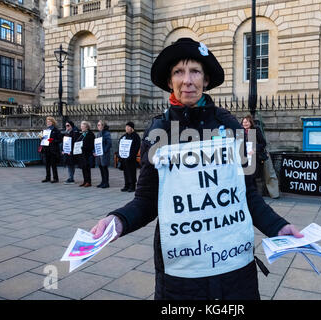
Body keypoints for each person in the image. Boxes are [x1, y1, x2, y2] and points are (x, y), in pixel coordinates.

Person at [90, 38, 302, 300]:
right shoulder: (158, 131)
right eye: (179, 72)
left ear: (206, 79)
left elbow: (248, 195)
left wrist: (279, 227)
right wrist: (118, 221)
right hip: (181, 275)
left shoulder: (232, 126)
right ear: (170, 81)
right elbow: (147, 199)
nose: (187, 80)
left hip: (234, 271)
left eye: (195, 71)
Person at [241, 114, 267, 189]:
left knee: (253, 177)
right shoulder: (240, 131)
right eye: (243, 122)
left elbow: (263, 143)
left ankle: (254, 194)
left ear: (251, 123)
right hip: (244, 157)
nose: (245, 124)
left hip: (254, 157)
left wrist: (254, 149)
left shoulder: (256, 130)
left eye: (247, 122)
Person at [118, 121, 141, 192]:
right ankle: (126, 185)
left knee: (131, 172)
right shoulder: (124, 136)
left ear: (132, 128)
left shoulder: (135, 136)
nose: (126, 128)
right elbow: (120, 143)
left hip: (131, 158)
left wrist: (131, 155)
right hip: (124, 158)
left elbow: (136, 147)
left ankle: (132, 186)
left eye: (128, 127)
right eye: (126, 127)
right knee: (125, 172)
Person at [41, 116, 61, 183]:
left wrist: (52, 140)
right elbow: (45, 139)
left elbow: (59, 140)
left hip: (53, 150)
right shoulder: (46, 130)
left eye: (49, 121)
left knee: (53, 164)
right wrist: (42, 138)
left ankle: (55, 178)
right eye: (47, 122)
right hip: (46, 149)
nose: (48, 123)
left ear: (52, 122)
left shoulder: (56, 130)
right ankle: (48, 177)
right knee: (47, 164)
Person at [76, 121, 95, 187]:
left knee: (87, 168)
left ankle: (88, 182)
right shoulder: (83, 134)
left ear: (86, 127)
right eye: (81, 126)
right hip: (82, 153)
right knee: (83, 167)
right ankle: (85, 181)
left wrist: (84, 147)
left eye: (82, 126)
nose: (81, 128)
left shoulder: (90, 134)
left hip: (87, 153)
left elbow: (91, 144)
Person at [94, 120, 112, 188]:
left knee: (104, 168)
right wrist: (95, 151)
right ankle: (103, 181)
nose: (97, 126)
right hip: (99, 154)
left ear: (103, 126)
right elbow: (96, 144)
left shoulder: (106, 133)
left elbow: (109, 143)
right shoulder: (98, 133)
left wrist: (104, 151)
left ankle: (106, 182)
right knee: (101, 167)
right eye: (97, 125)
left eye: (99, 125)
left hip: (104, 154)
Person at [62, 120, 80, 185]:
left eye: (68, 125)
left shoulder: (74, 132)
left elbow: (74, 142)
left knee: (71, 165)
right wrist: (63, 150)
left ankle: (71, 178)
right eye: (66, 125)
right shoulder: (67, 132)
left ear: (71, 125)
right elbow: (65, 142)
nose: (67, 127)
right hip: (68, 151)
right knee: (69, 165)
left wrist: (71, 151)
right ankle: (70, 177)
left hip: (71, 151)